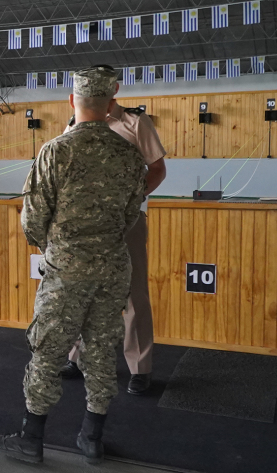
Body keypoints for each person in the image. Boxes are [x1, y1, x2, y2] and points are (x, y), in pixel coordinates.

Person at [0, 66, 147, 465]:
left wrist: (54, 247)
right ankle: (92, 438)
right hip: (113, 268)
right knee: (101, 350)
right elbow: (131, 213)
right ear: (111, 104)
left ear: (72, 101)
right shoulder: (130, 154)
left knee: (48, 350)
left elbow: (32, 218)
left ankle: (31, 439)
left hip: (66, 270)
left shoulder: (56, 150)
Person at [60, 104, 167, 395]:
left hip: (125, 221)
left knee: (133, 294)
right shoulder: (74, 123)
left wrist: (131, 199)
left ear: (113, 89)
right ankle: (76, 357)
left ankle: (140, 368)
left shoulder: (134, 122)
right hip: (85, 223)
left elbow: (158, 169)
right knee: (83, 290)